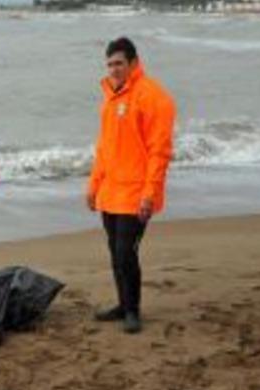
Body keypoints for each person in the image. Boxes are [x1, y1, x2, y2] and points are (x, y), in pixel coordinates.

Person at [86, 37, 176, 334]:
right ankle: (122, 304)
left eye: (119, 63)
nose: (114, 69)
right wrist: (93, 186)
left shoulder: (153, 96)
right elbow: (104, 148)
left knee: (126, 252)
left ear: (134, 63)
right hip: (110, 191)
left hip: (137, 194)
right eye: (109, 64)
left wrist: (149, 194)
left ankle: (133, 310)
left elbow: (159, 152)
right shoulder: (110, 97)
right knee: (115, 252)